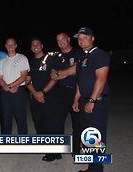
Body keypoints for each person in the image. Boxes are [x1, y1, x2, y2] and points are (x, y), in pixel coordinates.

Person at [72, 27, 110, 172]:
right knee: (87, 134)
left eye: (84, 37)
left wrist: (92, 101)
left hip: (97, 101)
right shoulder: (82, 57)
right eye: (79, 38)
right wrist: (76, 98)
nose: (81, 41)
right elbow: (79, 80)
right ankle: (92, 168)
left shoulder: (100, 55)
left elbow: (101, 79)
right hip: (84, 100)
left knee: (96, 136)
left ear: (92, 38)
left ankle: (97, 169)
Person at [26, 38, 63, 161]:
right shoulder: (30, 62)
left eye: (37, 44)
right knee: (39, 124)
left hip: (50, 96)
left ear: (42, 45)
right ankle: (50, 150)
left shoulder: (51, 59)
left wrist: (43, 92)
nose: (35, 46)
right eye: (32, 45)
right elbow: (27, 80)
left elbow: (55, 77)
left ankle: (53, 153)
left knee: (51, 124)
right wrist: (36, 94)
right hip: (35, 96)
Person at [53, 32, 82, 156]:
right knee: (58, 123)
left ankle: (75, 150)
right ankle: (59, 150)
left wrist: (62, 73)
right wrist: (69, 72)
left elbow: (78, 69)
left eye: (63, 39)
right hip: (61, 92)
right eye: (58, 41)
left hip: (77, 91)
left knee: (78, 124)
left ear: (69, 39)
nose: (61, 42)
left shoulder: (78, 53)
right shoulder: (55, 57)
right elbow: (53, 75)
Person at [0, 38, 29, 134]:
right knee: (6, 118)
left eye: (12, 45)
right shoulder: (2, 61)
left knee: (21, 118)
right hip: (6, 92)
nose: (10, 47)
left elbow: (24, 76)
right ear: (6, 46)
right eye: (8, 45)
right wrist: (7, 87)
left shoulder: (22, 58)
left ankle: (23, 141)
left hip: (18, 91)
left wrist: (10, 86)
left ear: (15, 46)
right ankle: (7, 142)